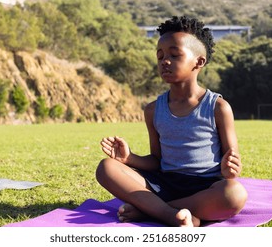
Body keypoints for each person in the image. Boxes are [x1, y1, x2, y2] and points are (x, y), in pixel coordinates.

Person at [96, 16, 248, 227]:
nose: (165, 61)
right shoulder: (153, 110)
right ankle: (172, 215)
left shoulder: (218, 107)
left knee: (234, 194)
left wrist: (230, 169)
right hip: (163, 184)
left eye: (174, 55)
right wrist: (129, 158)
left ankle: (149, 211)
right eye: (160, 56)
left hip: (205, 188)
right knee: (106, 168)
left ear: (199, 61)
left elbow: (231, 162)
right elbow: (156, 161)